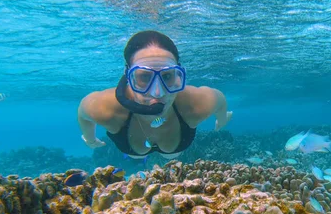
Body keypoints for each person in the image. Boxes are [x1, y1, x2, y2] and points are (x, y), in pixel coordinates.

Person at [77, 30, 232, 159]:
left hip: (172, 151)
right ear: (128, 77)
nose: (157, 93)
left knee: (170, 156)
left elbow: (220, 101)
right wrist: (89, 138)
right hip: (134, 151)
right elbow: (83, 113)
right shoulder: (106, 108)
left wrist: (222, 119)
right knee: (137, 156)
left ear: (178, 75)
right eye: (144, 77)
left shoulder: (196, 104)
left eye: (167, 76)